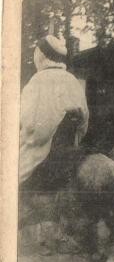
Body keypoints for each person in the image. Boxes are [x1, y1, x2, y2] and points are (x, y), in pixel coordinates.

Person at [19, 35, 89, 186]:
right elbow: (84, 121)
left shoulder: (36, 82)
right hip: (70, 148)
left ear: (42, 56)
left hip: (42, 149)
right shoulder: (72, 80)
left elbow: (29, 124)